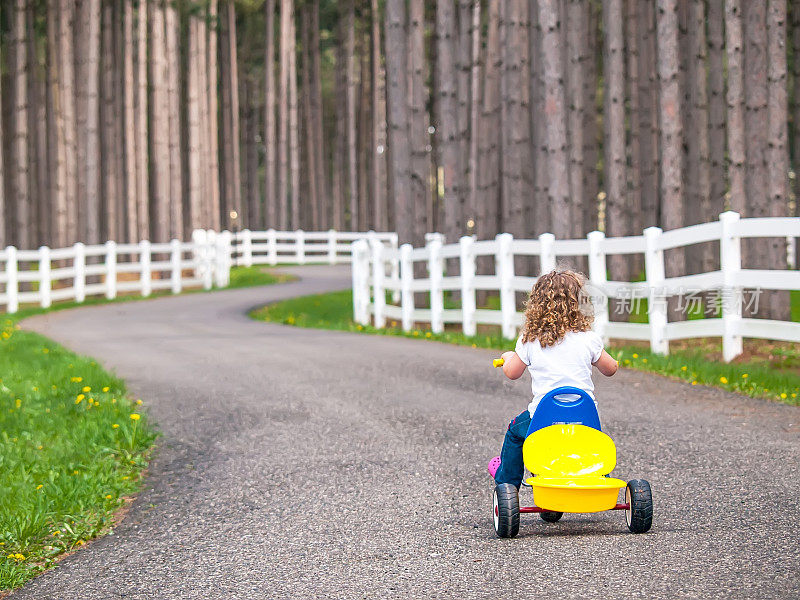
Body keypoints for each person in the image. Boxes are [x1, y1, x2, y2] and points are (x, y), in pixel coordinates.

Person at [487, 269, 619, 490]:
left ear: (536, 305)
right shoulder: (589, 339)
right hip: (584, 421)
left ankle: (507, 483)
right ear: (578, 304)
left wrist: (508, 357)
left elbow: (512, 372)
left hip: (542, 420)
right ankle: (595, 479)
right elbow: (610, 369)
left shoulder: (530, 340)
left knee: (514, 432)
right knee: (586, 443)